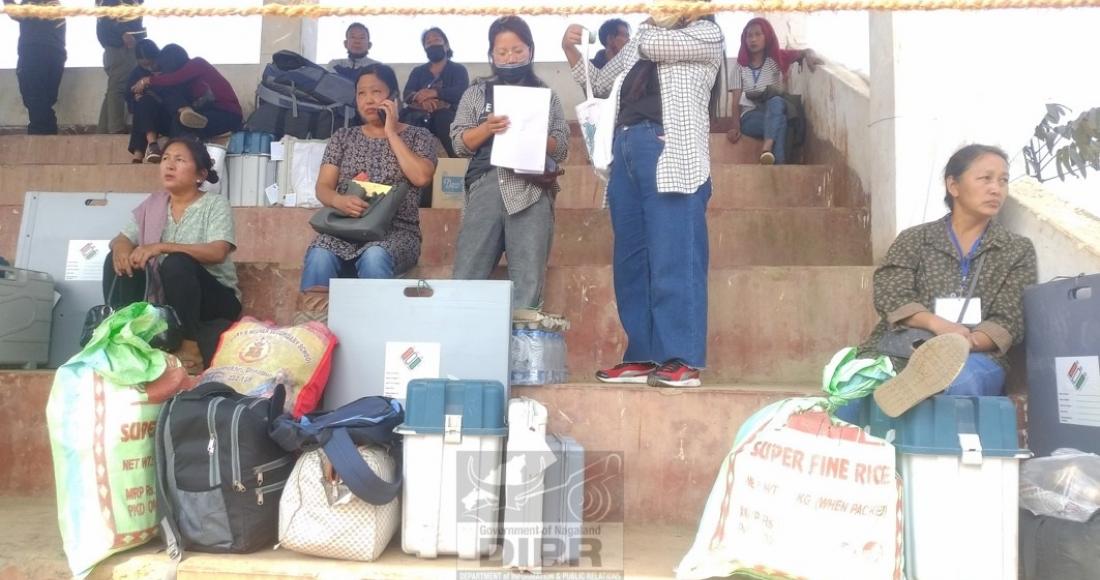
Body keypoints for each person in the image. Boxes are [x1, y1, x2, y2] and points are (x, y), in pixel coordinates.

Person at [562, 6, 724, 388]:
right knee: (631, 260)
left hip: (670, 149)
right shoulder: (644, 38)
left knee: (676, 255)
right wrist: (572, 51)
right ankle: (642, 355)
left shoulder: (705, 35)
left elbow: (650, 43)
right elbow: (601, 82)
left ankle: (681, 358)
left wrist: (645, 26)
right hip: (627, 149)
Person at [833, 145, 1038, 422]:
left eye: (1003, 180)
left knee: (962, 383)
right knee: (852, 390)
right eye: (985, 178)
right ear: (953, 185)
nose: (996, 189)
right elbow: (891, 293)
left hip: (977, 355)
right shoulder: (915, 239)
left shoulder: (1016, 249)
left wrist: (964, 343)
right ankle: (856, 450)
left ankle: (924, 429)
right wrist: (937, 326)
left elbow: (1010, 318)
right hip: (907, 345)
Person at [296, 64, 437, 324]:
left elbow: (420, 176)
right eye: (362, 93)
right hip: (344, 229)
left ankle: (376, 335)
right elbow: (323, 188)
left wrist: (391, 133)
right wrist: (339, 200)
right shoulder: (343, 137)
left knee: (374, 255)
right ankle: (311, 339)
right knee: (319, 252)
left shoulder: (419, 136)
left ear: (393, 97)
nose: (369, 99)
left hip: (396, 233)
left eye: (376, 92)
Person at [450, 16, 569, 311]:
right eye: (502, 52)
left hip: (531, 191)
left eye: (517, 50)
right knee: (467, 276)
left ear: (530, 50)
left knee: (527, 283)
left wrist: (532, 130)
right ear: (491, 55)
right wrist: (487, 129)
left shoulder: (546, 94)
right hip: (485, 186)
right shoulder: (476, 92)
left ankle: (523, 354)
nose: (510, 58)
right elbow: (458, 144)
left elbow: (562, 146)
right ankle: (464, 347)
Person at [104, 136, 241, 371]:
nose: (169, 165)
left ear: (200, 174)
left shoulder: (214, 204)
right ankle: (127, 338)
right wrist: (121, 250)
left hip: (215, 300)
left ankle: (190, 346)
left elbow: (218, 252)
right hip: (166, 298)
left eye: (179, 160)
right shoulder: (154, 205)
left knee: (176, 263)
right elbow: (122, 238)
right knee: (118, 260)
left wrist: (162, 246)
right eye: (166, 159)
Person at [726, 17, 821, 165]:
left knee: (776, 102)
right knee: (781, 122)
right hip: (750, 117)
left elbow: (804, 51)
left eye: (758, 34)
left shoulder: (776, 60)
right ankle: (777, 165)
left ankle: (767, 149)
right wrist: (734, 127)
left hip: (773, 110)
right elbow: (735, 102)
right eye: (749, 35)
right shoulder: (740, 68)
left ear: (767, 37)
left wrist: (810, 55)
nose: (753, 39)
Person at [130, 44, 243, 159]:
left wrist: (147, 81)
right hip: (201, 114)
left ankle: (177, 155)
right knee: (146, 104)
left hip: (226, 114)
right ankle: (144, 152)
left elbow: (174, 78)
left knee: (181, 122)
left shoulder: (197, 64)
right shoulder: (183, 81)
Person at [401, 27, 470, 157]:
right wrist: (423, 100)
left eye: (436, 39)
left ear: (446, 45)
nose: (432, 43)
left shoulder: (458, 69)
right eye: (428, 42)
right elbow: (407, 94)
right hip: (419, 115)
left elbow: (461, 92)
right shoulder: (418, 71)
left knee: (443, 118)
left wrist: (435, 93)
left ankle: (458, 163)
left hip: (448, 115)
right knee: (402, 118)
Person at [5, 0, 66, 135]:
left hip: (34, 53)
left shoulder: (34, 2)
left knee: (35, 98)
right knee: (44, 101)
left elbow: (15, 12)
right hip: (55, 55)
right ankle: (47, 139)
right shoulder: (56, 5)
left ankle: (40, 141)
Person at [96, 0, 144, 134]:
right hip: (121, 46)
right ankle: (115, 129)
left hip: (115, 46)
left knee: (114, 88)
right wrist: (123, 32)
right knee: (119, 88)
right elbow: (110, 14)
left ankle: (103, 131)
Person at [124, 39, 168, 163]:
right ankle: (151, 146)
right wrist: (135, 97)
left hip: (165, 113)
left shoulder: (167, 66)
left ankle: (139, 153)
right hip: (147, 115)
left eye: (150, 63)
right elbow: (128, 95)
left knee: (144, 104)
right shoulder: (136, 72)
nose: (148, 67)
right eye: (144, 65)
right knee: (141, 104)